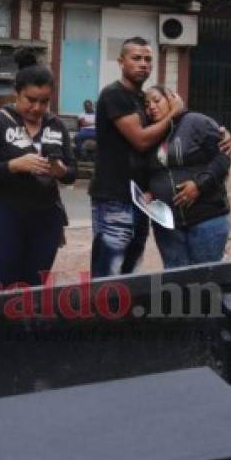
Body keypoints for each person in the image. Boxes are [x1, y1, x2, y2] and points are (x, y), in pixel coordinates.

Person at [0, 48, 76, 287]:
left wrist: (60, 170)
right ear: (17, 93)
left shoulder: (56, 125)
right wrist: (14, 165)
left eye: (44, 101)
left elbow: (72, 172)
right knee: (4, 286)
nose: (38, 108)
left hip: (47, 218)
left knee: (36, 286)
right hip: (6, 215)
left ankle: (30, 325)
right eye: (31, 100)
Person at [90, 37, 188, 279]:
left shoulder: (143, 99)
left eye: (148, 59)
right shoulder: (115, 94)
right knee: (108, 274)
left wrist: (218, 132)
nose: (143, 64)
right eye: (136, 58)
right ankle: (99, 317)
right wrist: (174, 114)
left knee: (130, 273)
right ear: (121, 61)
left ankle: (123, 318)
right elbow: (141, 139)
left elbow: (170, 132)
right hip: (114, 198)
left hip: (141, 201)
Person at [142, 85, 231, 268]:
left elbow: (223, 158)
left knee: (205, 281)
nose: (151, 106)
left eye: (157, 100)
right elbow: (146, 169)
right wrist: (148, 190)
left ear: (171, 98)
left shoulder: (197, 122)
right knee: (175, 283)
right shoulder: (149, 134)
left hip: (206, 219)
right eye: (146, 104)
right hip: (167, 225)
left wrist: (199, 185)